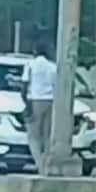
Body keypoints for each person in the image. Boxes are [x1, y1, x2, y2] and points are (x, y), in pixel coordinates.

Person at [21, 42, 57, 174]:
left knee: (33, 136)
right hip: (50, 101)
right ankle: (48, 164)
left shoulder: (30, 65)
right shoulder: (52, 67)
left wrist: (26, 104)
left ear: (35, 51)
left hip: (34, 100)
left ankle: (40, 164)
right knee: (47, 136)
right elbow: (56, 86)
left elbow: (24, 86)